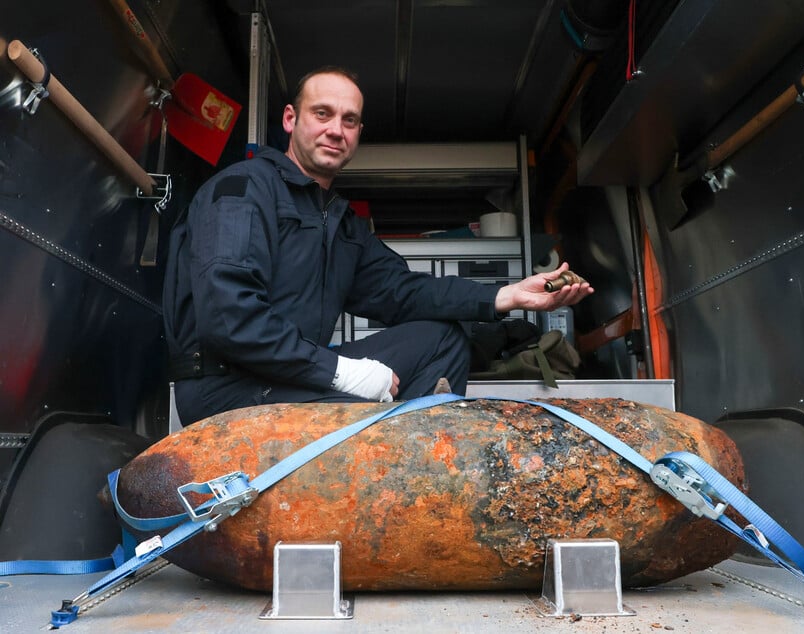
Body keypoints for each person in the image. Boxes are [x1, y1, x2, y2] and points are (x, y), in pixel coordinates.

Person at [163, 66, 593, 425]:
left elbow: (405, 292)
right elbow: (230, 317)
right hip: (225, 391)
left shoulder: (341, 223)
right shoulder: (242, 190)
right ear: (291, 120)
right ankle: (404, 455)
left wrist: (508, 295)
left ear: (358, 132)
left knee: (442, 339)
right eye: (323, 114)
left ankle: (411, 471)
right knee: (385, 417)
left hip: (289, 379)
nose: (336, 130)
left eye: (349, 120)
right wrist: (341, 372)